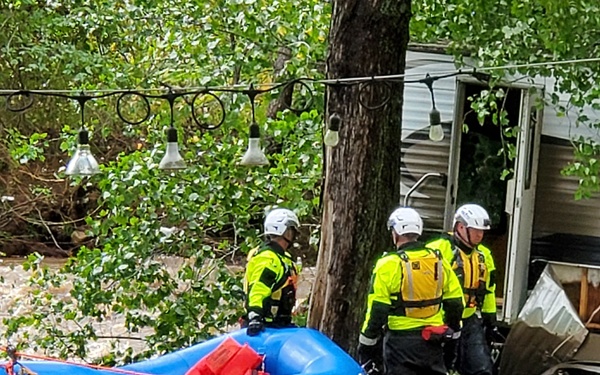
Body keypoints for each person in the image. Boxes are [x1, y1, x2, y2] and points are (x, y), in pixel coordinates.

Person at [357, 207, 464, 375]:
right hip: (433, 342)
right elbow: (456, 303)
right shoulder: (438, 261)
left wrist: (366, 346)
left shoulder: (389, 264)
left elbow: (377, 310)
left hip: (400, 344)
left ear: (396, 233)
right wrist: (453, 338)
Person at [427, 203, 497, 375]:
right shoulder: (438, 250)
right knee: (440, 368)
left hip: (469, 320)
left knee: (482, 369)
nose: (480, 235)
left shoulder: (484, 255)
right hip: (441, 321)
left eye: (482, 231)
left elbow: (489, 289)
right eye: (476, 230)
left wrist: (490, 318)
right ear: (460, 227)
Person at [243, 208, 300, 336]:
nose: (294, 235)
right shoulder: (268, 259)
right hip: (265, 328)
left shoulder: (282, 258)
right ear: (284, 231)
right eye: (291, 231)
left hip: (279, 326)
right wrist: (255, 316)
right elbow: (258, 288)